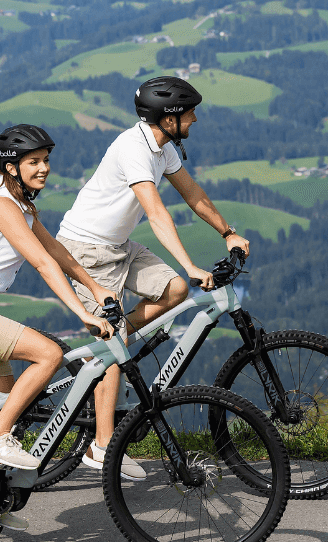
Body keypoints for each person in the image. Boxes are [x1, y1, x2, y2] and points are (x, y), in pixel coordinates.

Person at [55, 74, 252, 476]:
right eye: (190, 113)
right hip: (86, 251)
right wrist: (192, 265)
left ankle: (110, 349)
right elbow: (157, 213)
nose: (196, 119)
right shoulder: (134, 149)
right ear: (168, 118)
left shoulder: (163, 149)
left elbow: (193, 194)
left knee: (174, 290)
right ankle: (102, 446)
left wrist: (228, 232)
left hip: (120, 246)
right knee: (118, 339)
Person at [0, 123, 116, 530]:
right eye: (34, 162)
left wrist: (95, 286)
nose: (44, 168)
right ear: (11, 167)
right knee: (48, 354)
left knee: (0, 410)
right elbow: (42, 263)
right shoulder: (1, 204)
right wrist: (82, 313)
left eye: (46, 160)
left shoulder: (23, 207)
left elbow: (58, 252)